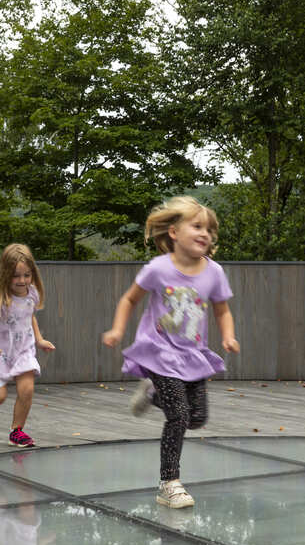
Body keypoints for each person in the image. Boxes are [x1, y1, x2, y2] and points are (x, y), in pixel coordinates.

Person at [103, 196, 240, 509]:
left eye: (209, 229)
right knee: (178, 415)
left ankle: (152, 394)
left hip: (192, 355)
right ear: (175, 233)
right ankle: (169, 483)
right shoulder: (158, 268)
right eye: (197, 226)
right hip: (160, 352)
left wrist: (229, 336)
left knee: (197, 418)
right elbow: (129, 300)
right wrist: (116, 330)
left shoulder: (214, 272)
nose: (205, 233)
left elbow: (222, 311)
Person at [0, 243, 55, 447]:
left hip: (23, 349)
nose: (22, 281)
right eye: (16, 276)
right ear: (6, 273)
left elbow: (28, 316)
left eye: (26, 275)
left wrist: (39, 339)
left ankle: (17, 431)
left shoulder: (31, 292)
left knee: (27, 390)